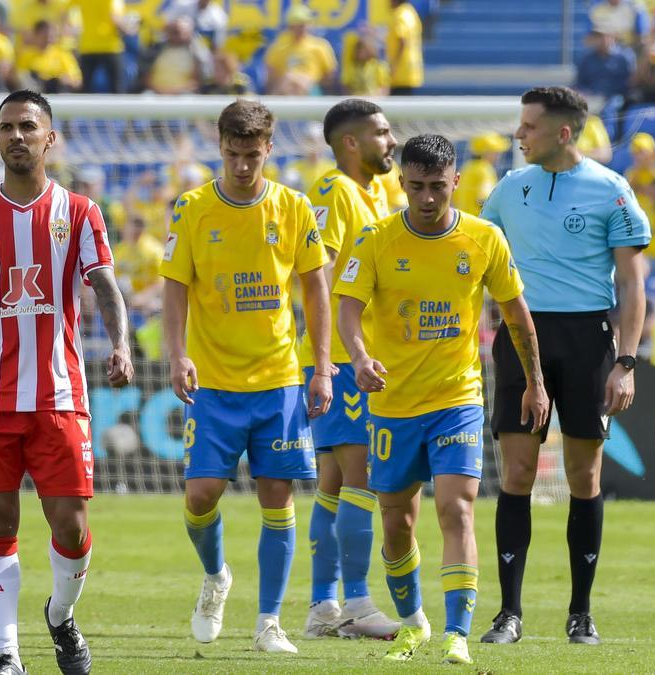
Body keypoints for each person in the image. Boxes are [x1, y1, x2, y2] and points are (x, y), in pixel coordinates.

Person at [0, 90, 134, 675]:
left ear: (50, 139)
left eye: (28, 126)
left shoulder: (81, 212)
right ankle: (7, 656)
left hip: (60, 394)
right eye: (7, 128)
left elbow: (104, 287)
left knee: (70, 529)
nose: (17, 136)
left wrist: (120, 343)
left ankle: (60, 616)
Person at [335, 133, 549, 665]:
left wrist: (535, 382)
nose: (427, 199)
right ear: (400, 182)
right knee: (397, 522)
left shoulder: (484, 239)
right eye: (416, 187)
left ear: (456, 181)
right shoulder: (376, 239)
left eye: (438, 187)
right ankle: (414, 625)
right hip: (392, 405)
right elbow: (347, 309)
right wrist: (359, 358)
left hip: (457, 398)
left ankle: (457, 633)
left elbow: (517, 316)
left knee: (457, 508)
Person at [159, 99, 333, 655]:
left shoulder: (294, 207)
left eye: (252, 156)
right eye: (232, 155)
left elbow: (316, 290)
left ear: (269, 150)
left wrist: (322, 366)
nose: (241, 166)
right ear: (220, 148)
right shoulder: (192, 209)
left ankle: (268, 623)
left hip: (279, 378)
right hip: (212, 382)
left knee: (277, 496)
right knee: (200, 495)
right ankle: (216, 577)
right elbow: (174, 287)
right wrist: (175, 354)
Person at [479, 86, 651, 646]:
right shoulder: (509, 189)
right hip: (520, 336)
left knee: (584, 477)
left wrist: (624, 362)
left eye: (528, 127)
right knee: (518, 475)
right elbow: (475, 263)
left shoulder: (611, 190)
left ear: (563, 132)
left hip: (588, 339)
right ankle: (509, 614)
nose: (518, 135)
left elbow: (631, 284)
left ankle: (581, 612)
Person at [299, 99, 401, 642]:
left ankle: (324, 607)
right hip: (340, 358)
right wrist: (329, 359)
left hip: (360, 354)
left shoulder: (381, 193)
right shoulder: (333, 191)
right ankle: (357, 604)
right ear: (351, 143)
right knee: (359, 477)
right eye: (382, 133)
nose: (392, 141)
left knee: (336, 483)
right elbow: (318, 273)